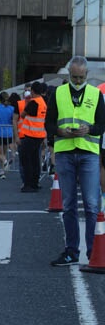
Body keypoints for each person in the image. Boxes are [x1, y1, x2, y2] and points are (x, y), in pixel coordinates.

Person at [46, 57, 105, 266]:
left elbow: (101, 125)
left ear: (87, 75)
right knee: (68, 205)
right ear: (68, 74)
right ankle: (71, 251)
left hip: (88, 152)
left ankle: (93, 252)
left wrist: (89, 129)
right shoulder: (57, 93)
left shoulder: (96, 94)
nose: (78, 81)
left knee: (91, 204)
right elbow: (49, 123)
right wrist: (59, 132)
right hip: (65, 152)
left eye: (81, 77)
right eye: (74, 77)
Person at [18, 82, 47, 192]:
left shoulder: (33, 102)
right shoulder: (42, 102)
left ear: (33, 91)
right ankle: (35, 183)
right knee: (35, 160)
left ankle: (28, 184)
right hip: (39, 135)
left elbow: (23, 115)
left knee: (27, 160)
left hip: (31, 135)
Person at [0, 91, 17, 178]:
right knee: (4, 152)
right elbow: (13, 119)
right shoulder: (12, 109)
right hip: (8, 132)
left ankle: (5, 162)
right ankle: (3, 172)